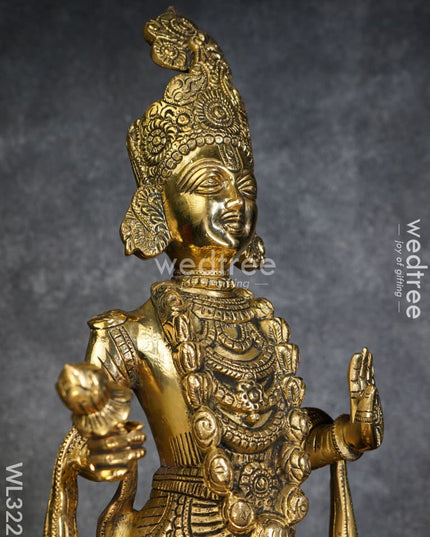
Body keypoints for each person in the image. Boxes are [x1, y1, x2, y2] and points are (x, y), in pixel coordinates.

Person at [44, 9, 383, 537]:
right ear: (157, 205)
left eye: (245, 187)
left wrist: (349, 434)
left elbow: (282, 458)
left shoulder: (261, 323)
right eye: (209, 183)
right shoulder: (132, 334)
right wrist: (94, 452)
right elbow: (96, 437)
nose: (235, 202)